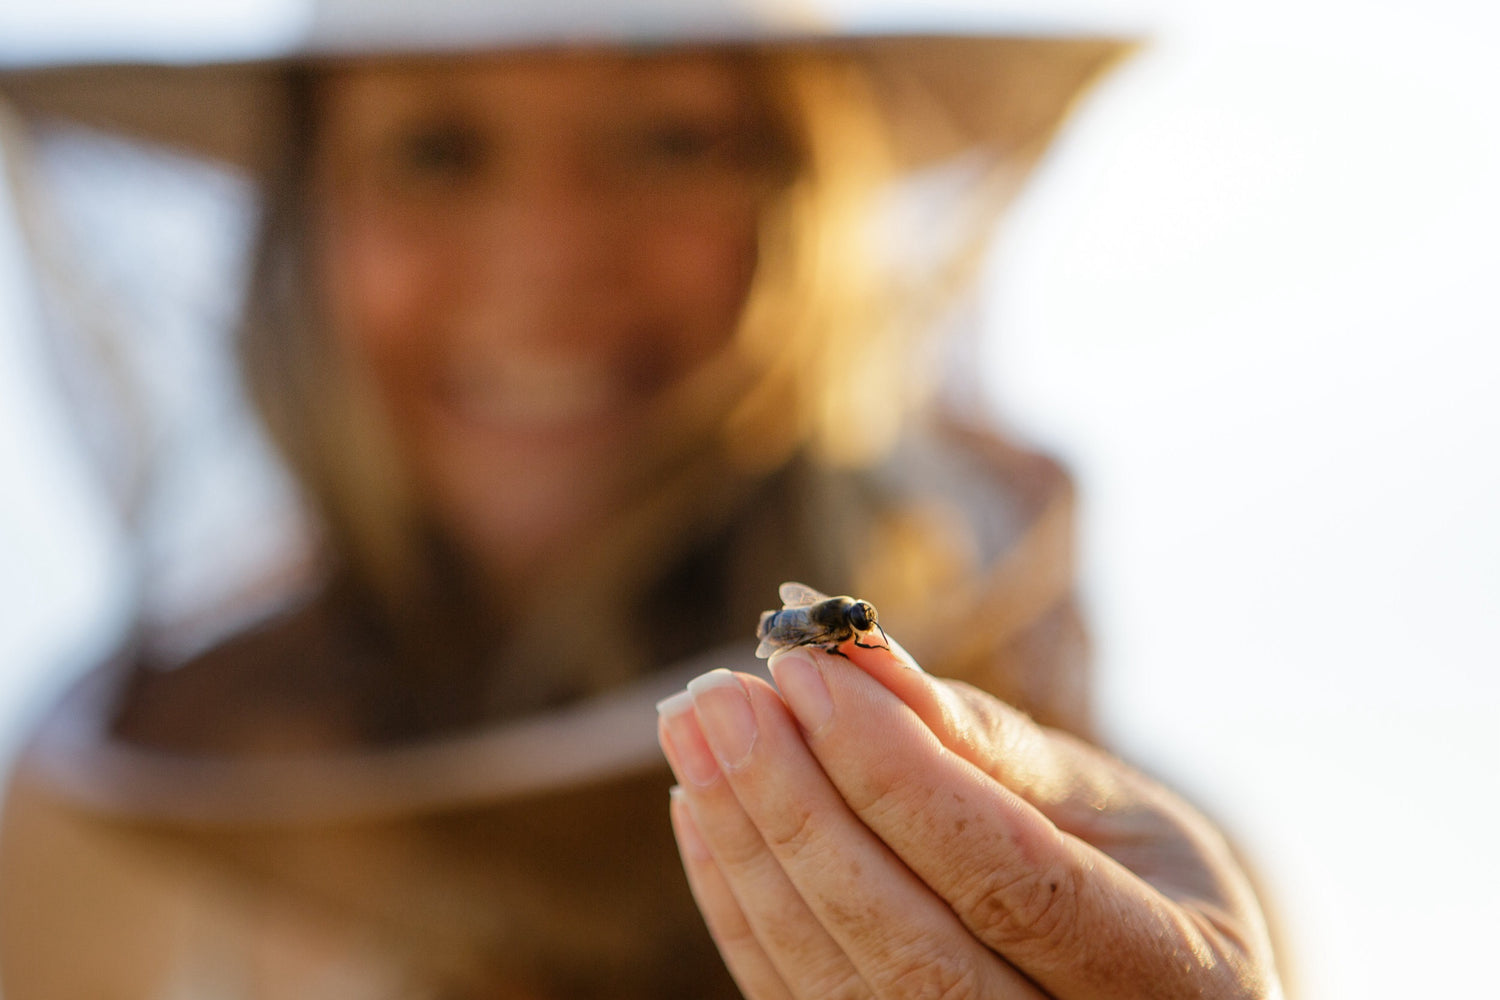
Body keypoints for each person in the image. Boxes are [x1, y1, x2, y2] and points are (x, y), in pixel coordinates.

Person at [0, 2, 1283, 997]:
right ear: (303, 226)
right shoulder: (99, 824)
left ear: (811, 202)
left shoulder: (1110, 866)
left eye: (672, 139)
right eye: (435, 151)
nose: (552, 261)